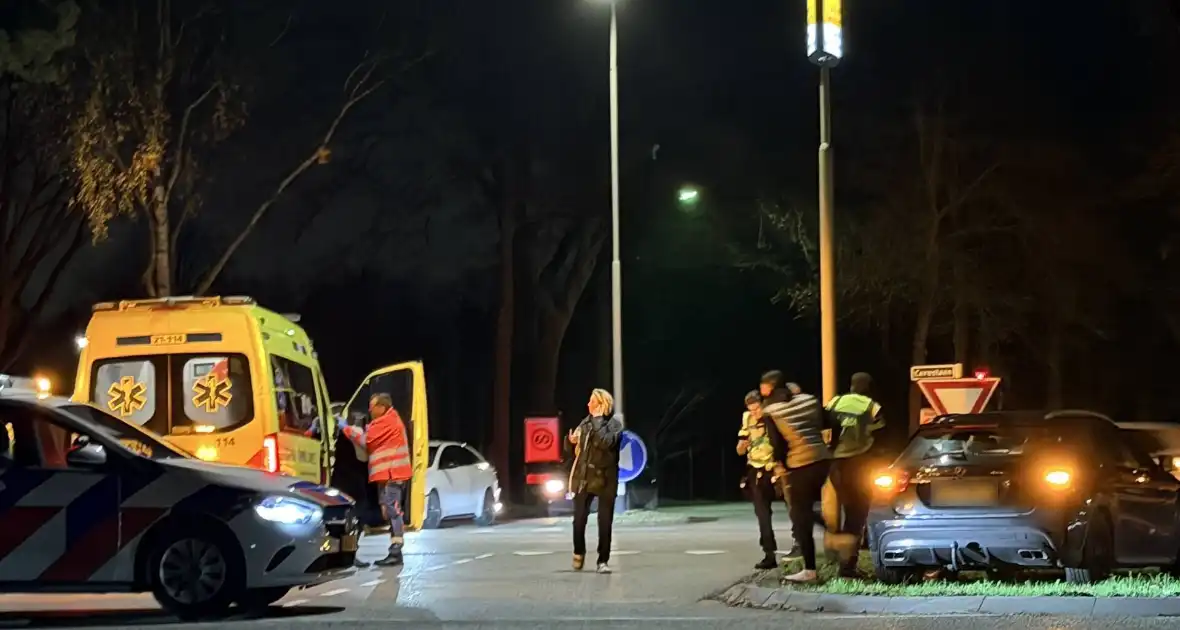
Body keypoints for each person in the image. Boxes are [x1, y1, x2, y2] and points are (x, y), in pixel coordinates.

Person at [760, 371, 856, 583]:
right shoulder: (809, 400)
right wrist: (831, 447)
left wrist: (780, 466)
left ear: (770, 388)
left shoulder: (771, 411)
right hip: (822, 461)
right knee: (805, 510)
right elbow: (834, 422)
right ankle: (834, 537)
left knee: (800, 515)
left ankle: (812, 568)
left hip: (800, 465)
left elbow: (778, 444)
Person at [825, 372, 885, 577]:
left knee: (844, 509)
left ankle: (839, 554)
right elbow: (880, 434)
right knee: (856, 515)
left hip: (835, 464)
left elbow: (823, 426)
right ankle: (848, 566)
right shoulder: (871, 406)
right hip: (859, 463)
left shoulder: (835, 402)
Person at [342, 393, 412, 567]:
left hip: (392, 474)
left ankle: (396, 550)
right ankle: (395, 550)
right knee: (387, 511)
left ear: (382, 407)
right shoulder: (385, 421)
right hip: (387, 475)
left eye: (372, 407)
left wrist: (346, 428)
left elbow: (367, 441)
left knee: (392, 509)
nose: (370, 411)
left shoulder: (387, 422)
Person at [568, 388, 624, 574]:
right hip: (584, 478)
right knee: (579, 519)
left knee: (604, 521)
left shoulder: (614, 425)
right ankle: (578, 551)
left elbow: (606, 443)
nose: (588, 404)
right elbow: (573, 452)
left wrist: (598, 422)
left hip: (606, 479)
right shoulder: (584, 424)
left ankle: (603, 560)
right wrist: (570, 442)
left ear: (601, 404)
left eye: (592, 401)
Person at [737, 390, 787, 569]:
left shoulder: (774, 417)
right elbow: (740, 449)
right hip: (756, 470)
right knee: (763, 514)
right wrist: (742, 446)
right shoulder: (747, 419)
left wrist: (780, 466)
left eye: (757, 408)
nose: (754, 413)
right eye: (751, 410)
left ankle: (801, 548)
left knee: (796, 510)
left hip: (776, 468)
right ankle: (769, 554)